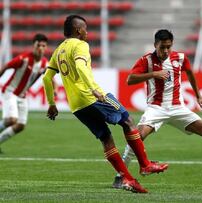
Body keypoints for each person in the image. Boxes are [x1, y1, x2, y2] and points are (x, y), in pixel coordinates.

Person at [42, 15, 168, 193]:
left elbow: (47, 78)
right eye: (85, 28)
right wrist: (94, 89)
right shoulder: (80, 45)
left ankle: (128, 179)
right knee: (128, 121)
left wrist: (51, 103)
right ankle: (145, 164)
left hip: (76, 106)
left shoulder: (59, 50)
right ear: (78, 30)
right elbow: (80, 67)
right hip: (91, 96)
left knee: (106, 138)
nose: (87, 32)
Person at [113, 29, 202, 188]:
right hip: (156, 109)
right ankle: (120, 176)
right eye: (162, 47)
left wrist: (198, 95)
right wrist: (154, 74)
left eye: (168, 47)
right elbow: (130, 80)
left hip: (178, 108)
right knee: (137, 136)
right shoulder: (146, 61)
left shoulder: (180, 58)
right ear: (155, 45)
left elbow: (190, 72)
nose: (165, 51)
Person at [0, 33, 49, 151]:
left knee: (20, 125)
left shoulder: (44, 63)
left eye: (43, 46)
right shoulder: (24, 58)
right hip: (10, 92)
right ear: (34, 46)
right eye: (38, 45)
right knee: (11, 120)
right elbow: (6, 66)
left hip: (22, 96)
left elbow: (49, 77)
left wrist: (55, 88)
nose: (41, 48)